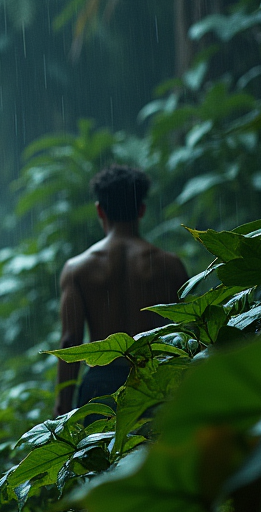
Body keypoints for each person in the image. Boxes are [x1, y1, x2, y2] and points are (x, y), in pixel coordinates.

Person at [56, 165, 188, 415]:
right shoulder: (170, 266)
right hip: (153, 382)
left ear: (99, 210)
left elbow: (70, 340)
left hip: (100, 386)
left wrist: (62, 405)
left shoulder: (77, 269)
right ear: (141, 210)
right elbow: (185, 332)